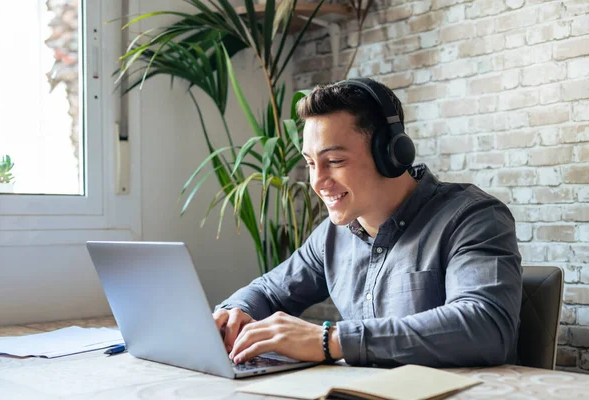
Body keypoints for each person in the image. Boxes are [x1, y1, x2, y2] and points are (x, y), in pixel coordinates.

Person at [213, 77, 522, 368]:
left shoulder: (472, 218)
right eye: (310, 163)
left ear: (391, 154)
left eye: (334, 161)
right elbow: (268, 292)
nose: (318, 182)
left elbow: (486, 326)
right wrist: (233, 314)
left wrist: (330, 341)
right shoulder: (332, 237)